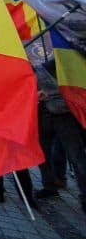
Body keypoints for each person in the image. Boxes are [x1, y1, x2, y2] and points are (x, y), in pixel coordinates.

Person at [33, 64, 86, 212]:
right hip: (42, 110)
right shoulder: (31, 49)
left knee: (75, 155)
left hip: (64, 111)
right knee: (43, 153)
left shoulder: (61, 46)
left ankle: (84, 195)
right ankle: (50, 185)